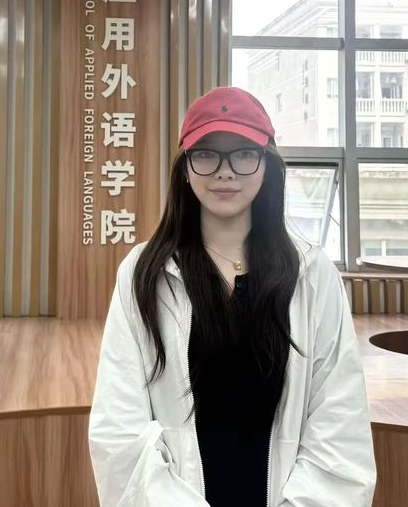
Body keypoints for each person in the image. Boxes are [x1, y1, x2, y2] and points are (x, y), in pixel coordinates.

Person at [88, 87, 376, 507]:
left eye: (243, 154)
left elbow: (339, 422)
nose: (225, 172)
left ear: (266, 165)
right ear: (185, 169)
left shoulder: (312, 275)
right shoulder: (143, 274)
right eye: (207, 154)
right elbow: (119, 430)